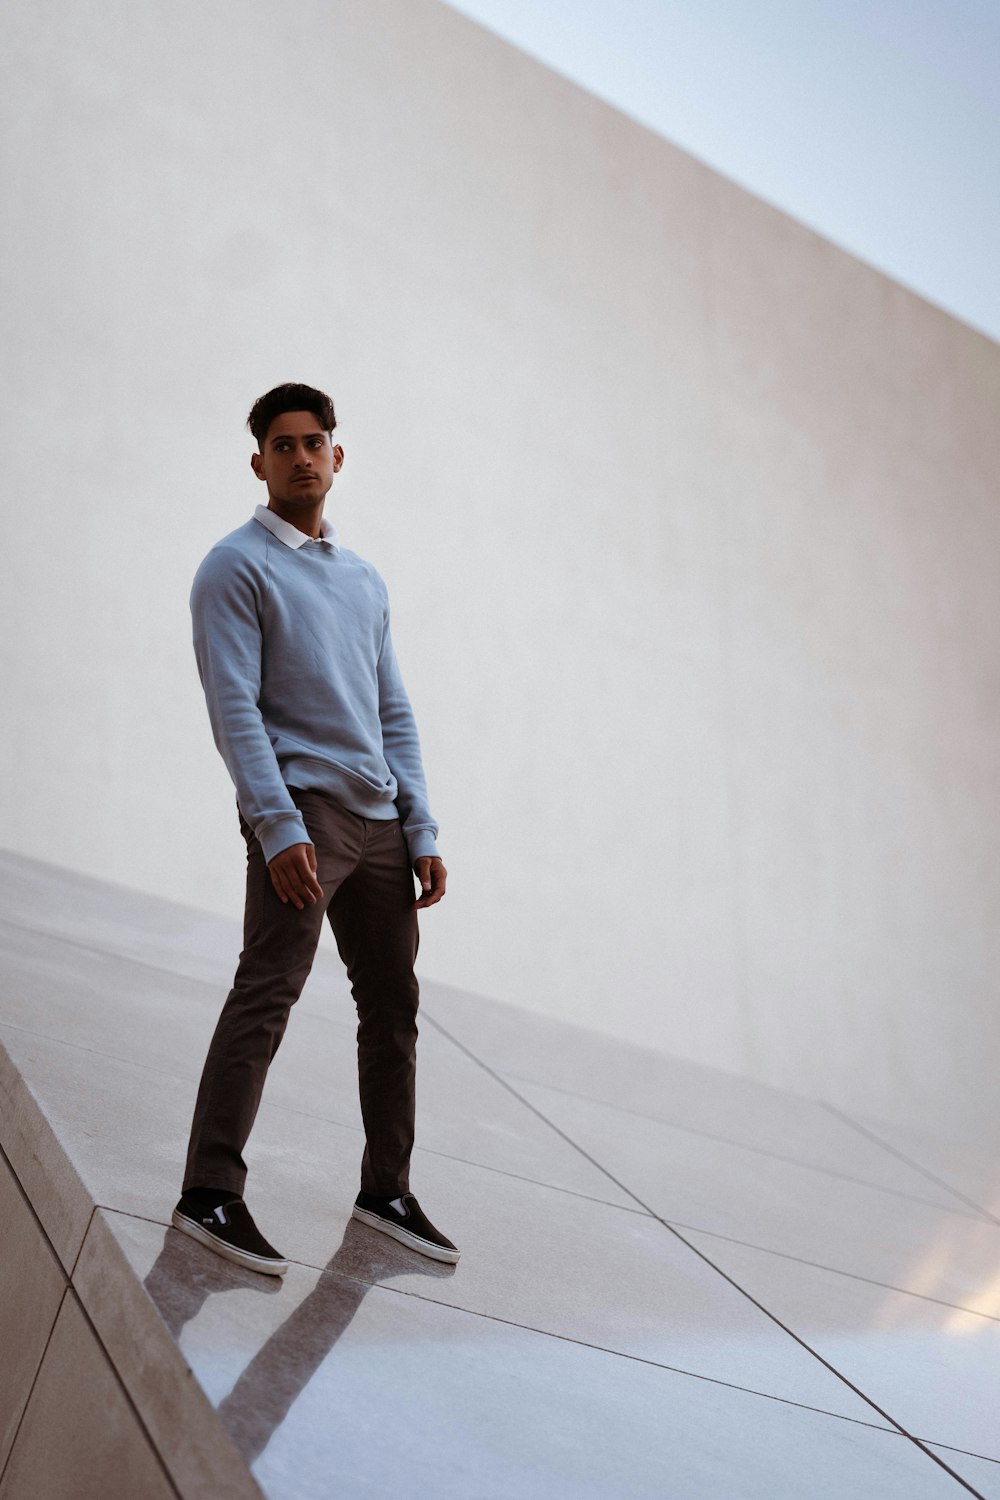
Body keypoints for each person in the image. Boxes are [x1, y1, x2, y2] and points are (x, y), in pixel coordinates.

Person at [173, 382, 457, 1275]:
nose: (301, 456)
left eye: (315, 441)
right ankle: (208, 1193)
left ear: (338, 456)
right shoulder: (235, 566)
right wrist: (276, 822)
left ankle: (387, 1190)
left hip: (378, 823)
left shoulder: (363, 579)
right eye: (282, 444)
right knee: (267, 992)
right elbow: (234, 708)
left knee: (395, 1007)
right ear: (258, 461)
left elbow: (393, 711)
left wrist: (422, 827)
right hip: (303, 817)